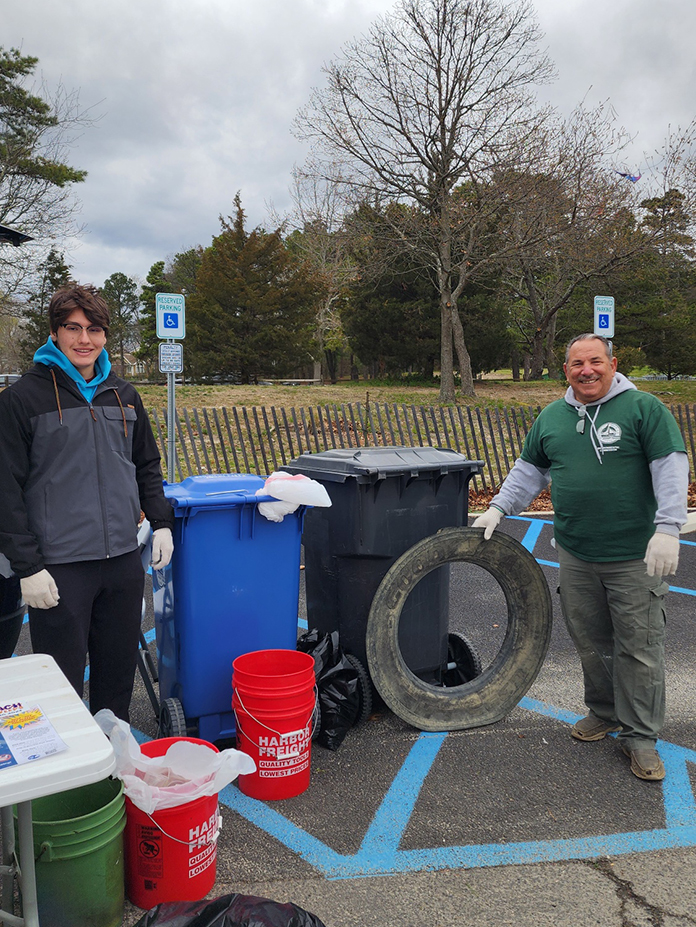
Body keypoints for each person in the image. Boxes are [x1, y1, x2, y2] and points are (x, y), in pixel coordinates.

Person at [473, 333, 688, 782]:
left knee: (640, 648)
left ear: (613, 363)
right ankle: (605, 711)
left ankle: (641, 737)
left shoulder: (644, 409)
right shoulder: (552, 417)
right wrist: (497, 507)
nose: (586, 370)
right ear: (565, 369)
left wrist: (668, 527)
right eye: (576, 363)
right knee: (592, 640)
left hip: (634, 555)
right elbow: (529, 470)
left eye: (595, 361)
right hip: (575, 552)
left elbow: (670, 465)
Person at [0, 284, 174, 721]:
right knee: (60, 687)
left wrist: (162, 522)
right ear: (55, 333)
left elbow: (147, 465)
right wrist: (27, 567)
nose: (84, 339)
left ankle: (111, 769)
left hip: (121, 559)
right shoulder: (22, 400)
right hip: (58, 568)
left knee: (117, 680)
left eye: (94, 329)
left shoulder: (125, 395)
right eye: (72, 328)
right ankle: (70, 782)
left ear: (105, 336)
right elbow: (5, 490)